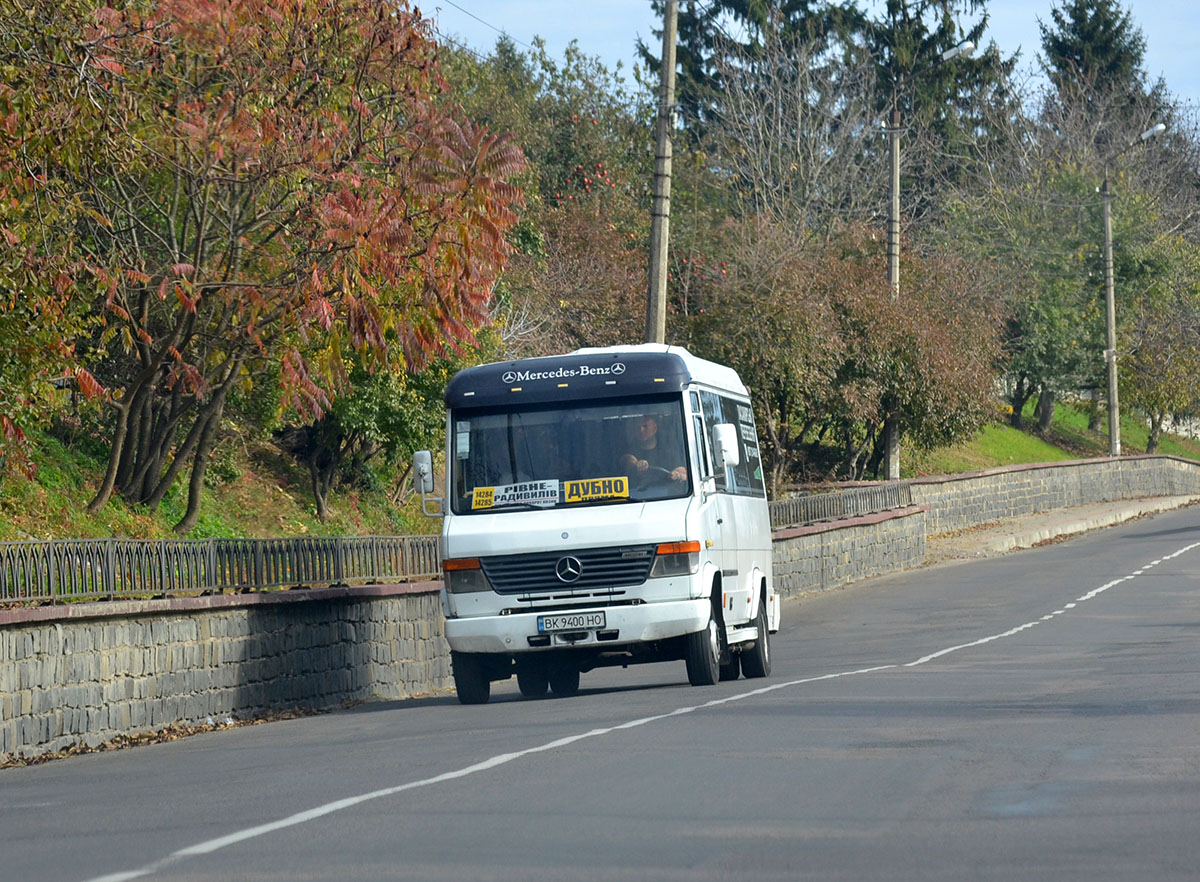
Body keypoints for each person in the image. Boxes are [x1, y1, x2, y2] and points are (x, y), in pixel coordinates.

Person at [619, 414, 686, 482]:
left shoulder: (669, 450)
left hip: (668, 491)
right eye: (638, 427)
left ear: (655, 428)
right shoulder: (629, 449)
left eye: (645, 426)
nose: (641, 430)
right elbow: (627, 460)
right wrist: (637, 464)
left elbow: (685, 472)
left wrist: (678, 474)